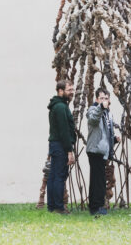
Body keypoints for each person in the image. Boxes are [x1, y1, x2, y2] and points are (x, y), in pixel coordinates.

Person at [86, 88, 120, 216]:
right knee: (96, 180)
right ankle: (95, 207)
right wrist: (100, 107)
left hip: (103, 151)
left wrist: (114, 140)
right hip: (95, 150)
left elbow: (106, 134)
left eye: (106, 98)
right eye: (101, 98)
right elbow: (93, 119)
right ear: (96, 99)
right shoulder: (93, 110)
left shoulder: (107, 113)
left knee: (100, 180)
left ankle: (98, 205)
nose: (104, 101)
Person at [47, 79, 76, 215]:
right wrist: (69, 150)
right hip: (60, 145)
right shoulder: (60, 107)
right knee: (59, 176)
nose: (72, 92)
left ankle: (52, 206)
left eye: (72, 89)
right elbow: (64, 131)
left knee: (53, 176)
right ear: (60, 91)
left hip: (55, 144)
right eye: (69, 90)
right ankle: (59, 207)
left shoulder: (58, 105)